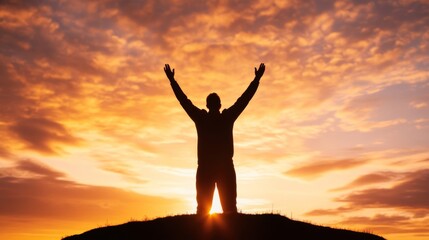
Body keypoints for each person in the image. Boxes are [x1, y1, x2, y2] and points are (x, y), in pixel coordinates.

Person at [164, 63, 265, 215]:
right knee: (227, 210)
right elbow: (244, 100)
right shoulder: (224, 117)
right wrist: (256, 79)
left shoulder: (204, 118)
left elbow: (184, 101)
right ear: (219, 105)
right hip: (218, 168)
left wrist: (172, 81)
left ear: (208, 105)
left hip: (211, 168)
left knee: (210, 211)